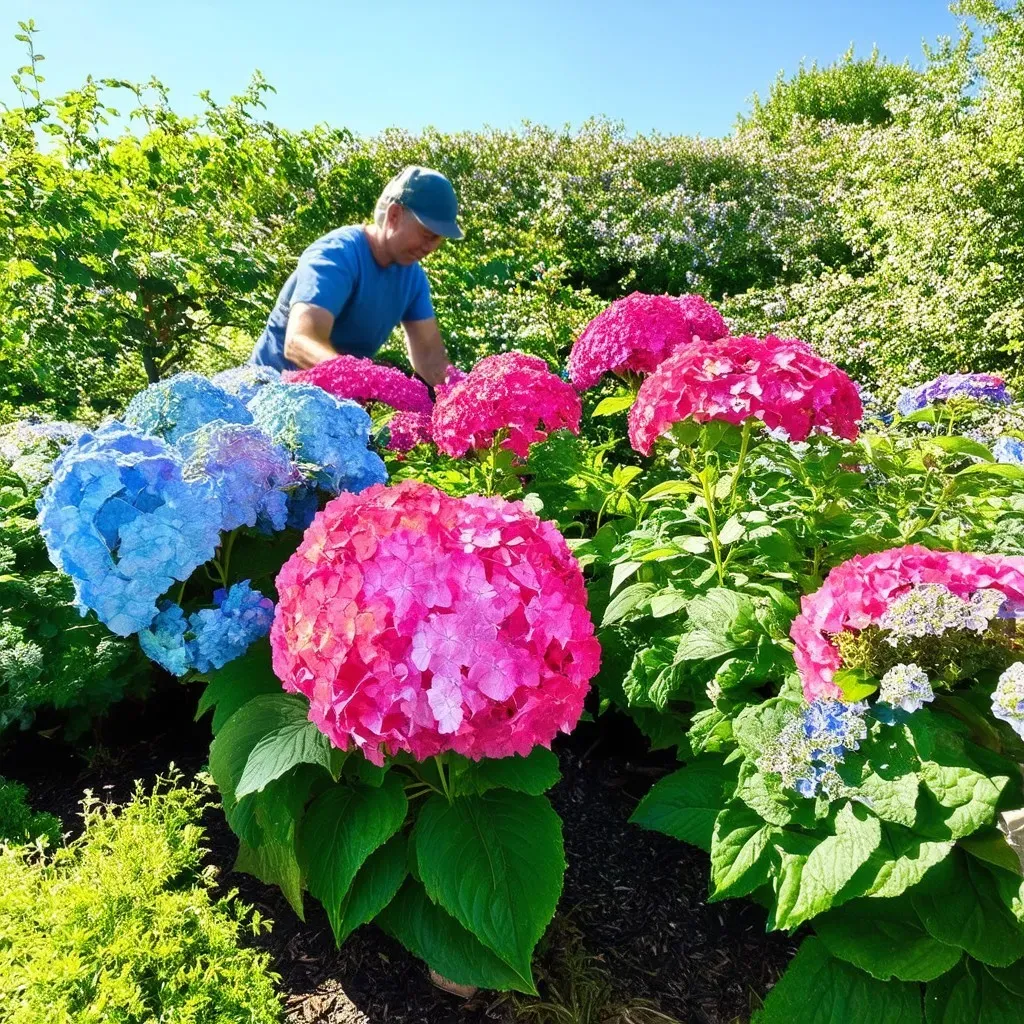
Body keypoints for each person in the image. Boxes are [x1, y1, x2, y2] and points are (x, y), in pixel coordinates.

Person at [251, 165, 462, 385]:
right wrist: (365, 382)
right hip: (267, 393)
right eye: (427, 234)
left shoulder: (413, 279)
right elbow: (300, 342)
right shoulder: (335, 256)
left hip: (336, 405)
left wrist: (466, 395)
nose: (431, 246)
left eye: (438, 238)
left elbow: (431, 360)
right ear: (394, 215)